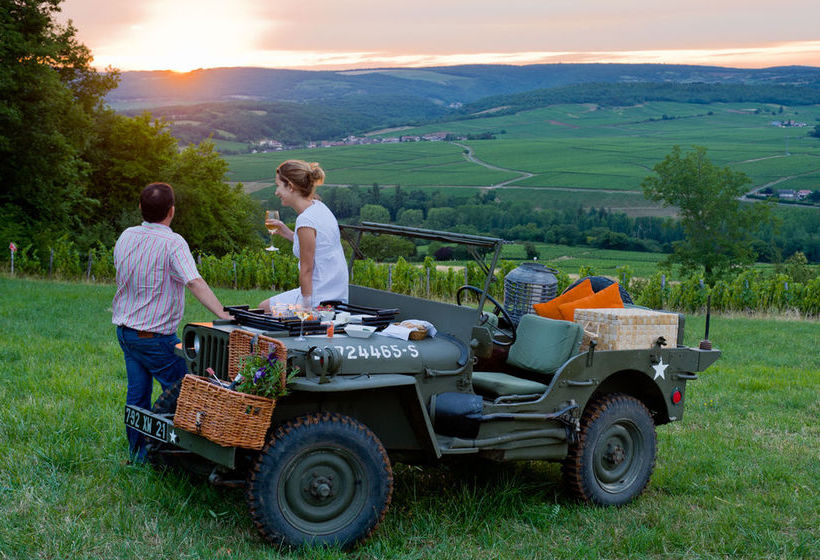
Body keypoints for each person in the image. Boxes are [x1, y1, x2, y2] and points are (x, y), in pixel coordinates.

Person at [112, 182, 231, 463]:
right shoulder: (173, 242)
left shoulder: (126, 235)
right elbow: (193, 281)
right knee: (187, 392)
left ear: (141, 208)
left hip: (126, 333)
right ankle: (188, 457)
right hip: (155, 338)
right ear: (172, 211)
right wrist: (224, 315)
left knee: (137, 397)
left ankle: (139, 455)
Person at [259, 160, 348, 311]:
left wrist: (306, 310)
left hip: (319, 298)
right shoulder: (319, 207)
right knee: (267, 307)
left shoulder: (305, 220)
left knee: (263, 308)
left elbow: (307, 270)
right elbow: (318, 246)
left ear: (291, 186)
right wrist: (287, 232)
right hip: (336, 293)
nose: (276, 192)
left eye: (278, 185)